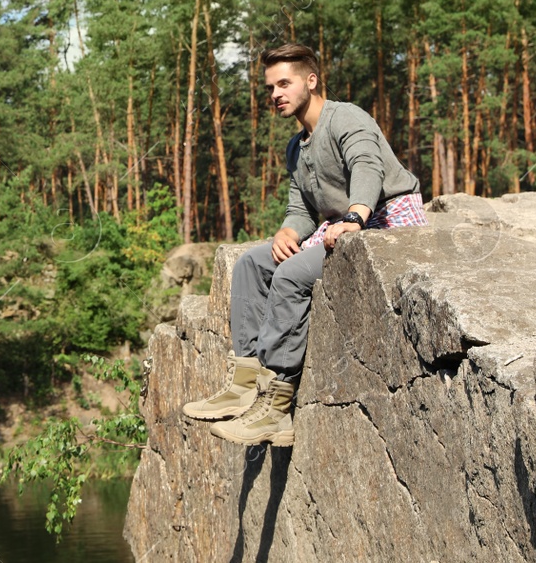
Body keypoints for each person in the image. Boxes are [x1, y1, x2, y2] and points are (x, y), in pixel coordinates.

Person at [181, 42, 425, 447]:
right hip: (340, 225)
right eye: (270, 88)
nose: (275, 94)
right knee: (252, 264)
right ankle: (245, 382)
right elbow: (301, 208)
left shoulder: (346, 117)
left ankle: (276, 407)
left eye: (284, 83)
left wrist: (355, 216)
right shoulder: (297, 146)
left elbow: (368, 165)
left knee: (292, 274)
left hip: (385, 221)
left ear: (311, 81)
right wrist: (287, 233)